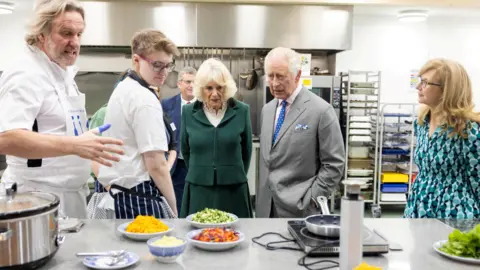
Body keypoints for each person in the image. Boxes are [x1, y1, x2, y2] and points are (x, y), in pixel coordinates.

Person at [0, 0, 123, 219]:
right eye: (66, 33)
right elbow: (6, 138)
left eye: (79, 34)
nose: (74, 42)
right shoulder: (26, 74)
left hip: (69, 198)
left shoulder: (62, 74)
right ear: (41, 35)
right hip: (35, 200)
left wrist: (88, 143)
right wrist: (76, 145)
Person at [97, 29, 180, 219]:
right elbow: (156, 165)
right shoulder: (144, 99)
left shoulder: (123, 89)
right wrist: (174, 210)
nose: (164, 73)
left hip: (121, 195)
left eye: (169, 65)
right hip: (139, 198)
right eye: (157, 65)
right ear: (136, 60)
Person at [256, 47, 345, 218]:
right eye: (271, 76)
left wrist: (311, 199)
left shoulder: (321, 111)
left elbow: (334, 164)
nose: (274, 83)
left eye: (281, 76)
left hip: (300, 210)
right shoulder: (267, 110)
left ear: (297, 76)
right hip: (266, 208)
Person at [404, 59, 480, 219]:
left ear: (447, 90)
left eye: (425, 82)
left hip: (453, 213)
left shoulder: (467, 129)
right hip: (419, 207)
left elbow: (477, 178)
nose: (418, 87)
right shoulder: (422, 122)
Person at [180, 58, 253, 218]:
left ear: (226, 88)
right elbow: (185, 150)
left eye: (219, 87)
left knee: (235, 236)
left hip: (234, 189)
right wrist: (201, 170)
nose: (214, 94)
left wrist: (232, 172)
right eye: (209, 88)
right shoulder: (188, 112)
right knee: (198, 235)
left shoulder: (242, 111)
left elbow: (246, 152)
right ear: (200, 89)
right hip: (199, 188)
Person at [161, 66, 197, 213]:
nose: (191, 86)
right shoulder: (166, 105)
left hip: (197, 164)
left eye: (195, 82)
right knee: (177, 206)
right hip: (176, 165)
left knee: (196, 205)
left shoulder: (205, 105)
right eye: (188, 82)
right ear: (179, 84)